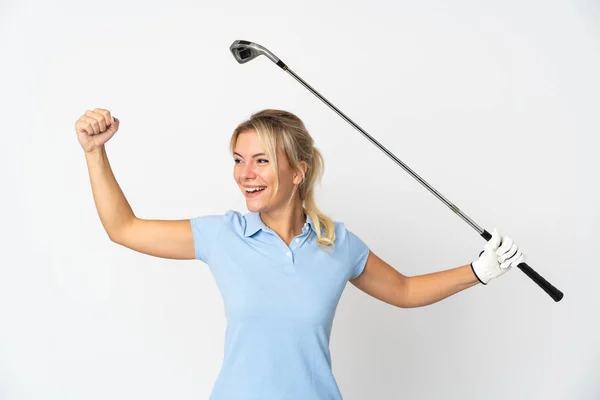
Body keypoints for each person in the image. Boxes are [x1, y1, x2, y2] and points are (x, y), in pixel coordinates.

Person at [75, 108, 526, 399]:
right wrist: (95, 154)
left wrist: (478, 271)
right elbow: (124, 228)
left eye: (261, 160)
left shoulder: (337, 243)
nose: (244, 174)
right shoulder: (222, 236)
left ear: (298, 171)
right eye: (238, 159)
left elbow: (405, 290)